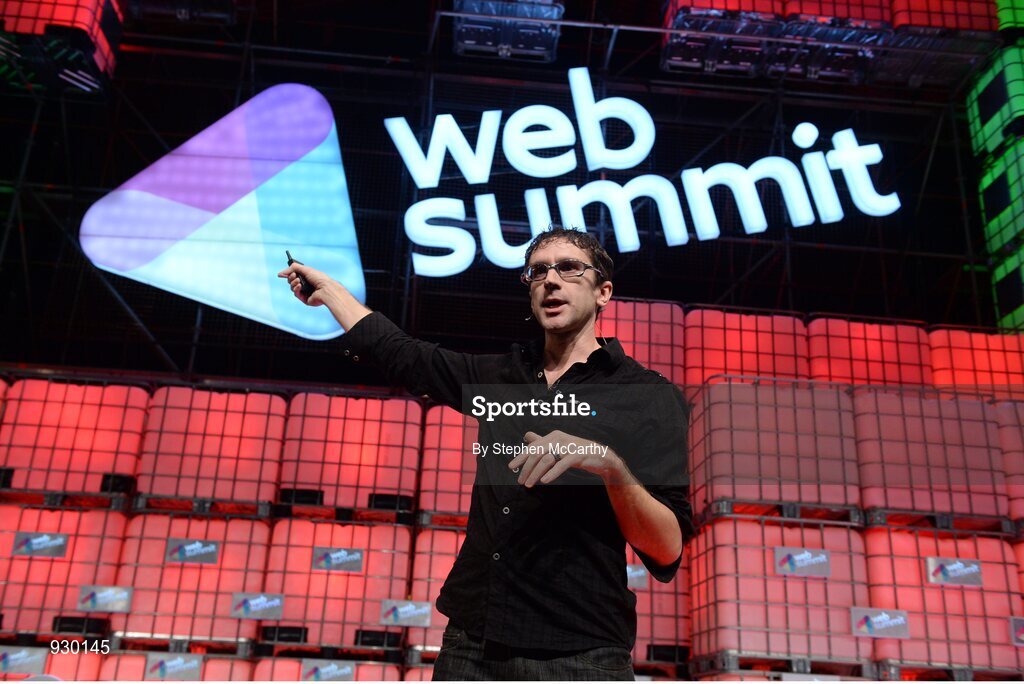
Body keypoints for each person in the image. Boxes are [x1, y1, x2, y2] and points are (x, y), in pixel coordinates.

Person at [278, 226, 693, 681]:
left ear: (603, 292)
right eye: (538, 272)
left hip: (581, 652)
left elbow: (667, 548)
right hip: (473, 643)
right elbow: (404, 355)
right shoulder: (500, 377)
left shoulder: (648, 396)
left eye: (569, 268)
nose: (551, 280)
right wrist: (334, 292)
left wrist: (609, 465)